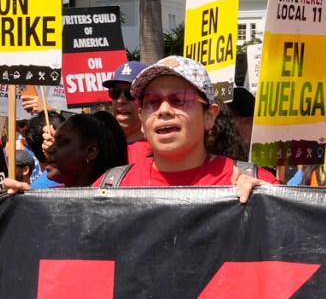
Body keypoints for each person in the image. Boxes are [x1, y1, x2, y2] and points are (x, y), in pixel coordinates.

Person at [102, 58, 260, 198]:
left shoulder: (252, 186)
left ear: (209, 116)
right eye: (152, 101)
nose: (163, 110)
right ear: (142, 117)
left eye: (180, 99)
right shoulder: (110, 189)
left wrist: (267, 202)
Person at [33, 111, 129, 189]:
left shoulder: (114, 203)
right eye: (54, 141)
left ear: (91, 152)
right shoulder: (44, 201)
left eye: (62, 142)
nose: (49, 149)